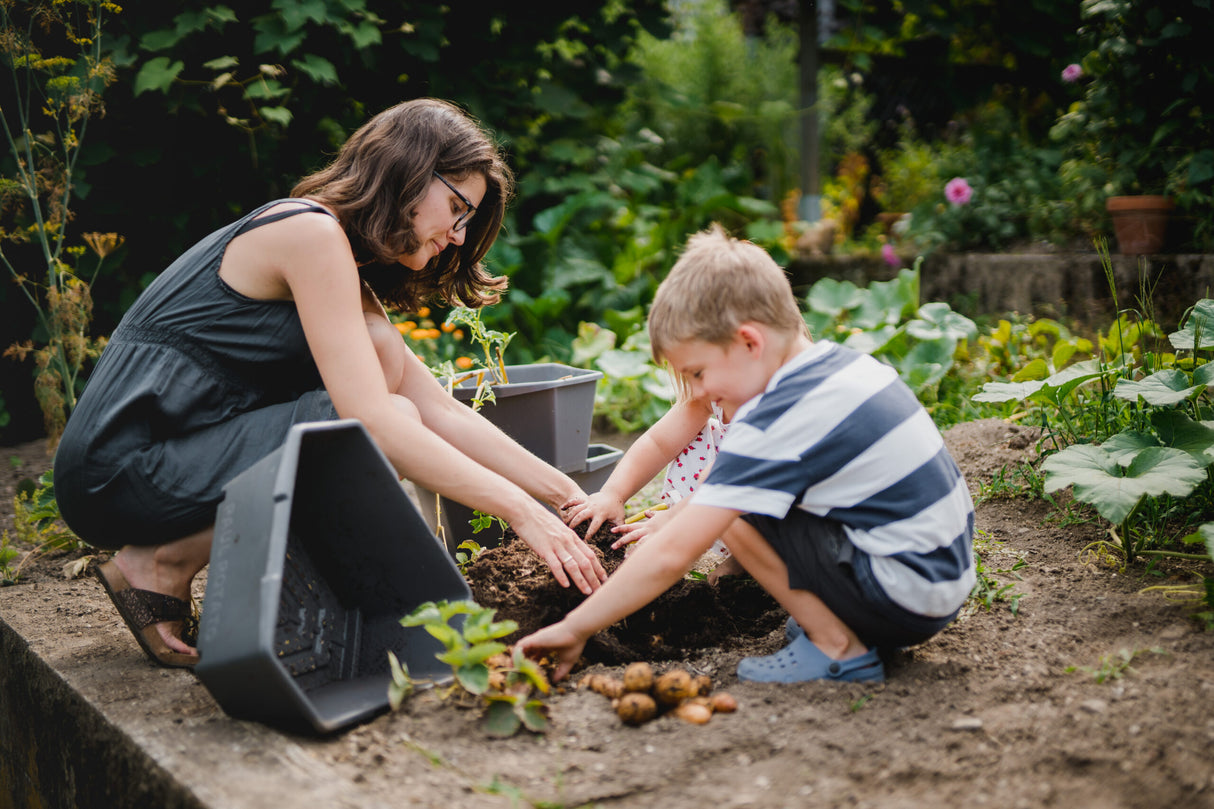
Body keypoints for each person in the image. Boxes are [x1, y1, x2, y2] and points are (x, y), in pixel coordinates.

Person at [54, 98, 608, 669]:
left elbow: (439, 408)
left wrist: (567, 498)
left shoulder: (336, 250)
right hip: (116, 470)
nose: (461, 236)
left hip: (170, 459)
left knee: (385, 362)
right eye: (458, 209)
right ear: (411, 172)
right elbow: (374, 420)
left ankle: (168, 554)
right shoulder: (308, 232)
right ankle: (163, 560)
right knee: (368, 424)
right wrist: (519, 510)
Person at [519, 224, 975, 684]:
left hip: (904, 597)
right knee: (736, 498)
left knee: (729, 509)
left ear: (750, 343)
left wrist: (576, 626)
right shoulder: (845, 366)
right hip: (937, 579)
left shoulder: (773, 418)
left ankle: (840, 647)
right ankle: (841, 615)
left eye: (698, 373)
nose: (698, 393)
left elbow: (674, 554)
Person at [561, 376, 742, 580]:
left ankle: (754, 553)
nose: (699, 391)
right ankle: (737, 548)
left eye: (700, 371)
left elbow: (732, 477)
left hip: (771, 502)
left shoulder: (770, 405)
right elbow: (657, 443)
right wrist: (613, 494)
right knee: (693, 435)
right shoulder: (709, 391)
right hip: (728, 491)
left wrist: (675, 521)